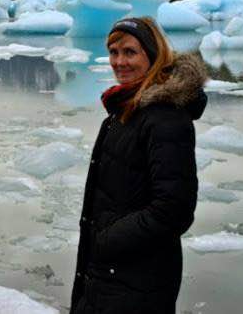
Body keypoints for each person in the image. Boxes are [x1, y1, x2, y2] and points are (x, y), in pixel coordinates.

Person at [71, 16, 207, 313]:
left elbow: (174, 209)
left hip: (136, 282)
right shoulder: (126, 109)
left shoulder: (165, 117)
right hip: (110, 276)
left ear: (153, 55)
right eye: (114, 52)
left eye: (130, 52)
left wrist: (108, 240)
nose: (119, 62)